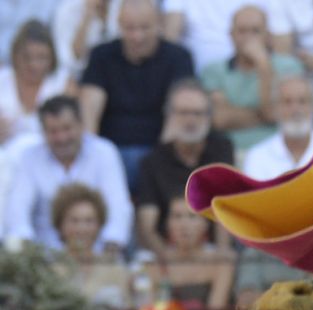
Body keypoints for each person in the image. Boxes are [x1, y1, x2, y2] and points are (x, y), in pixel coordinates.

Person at [78, 0, 194, 184]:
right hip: (110, 151)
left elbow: (179, 112)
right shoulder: (101, 56)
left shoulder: (178, 57)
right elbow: (89, 113)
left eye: (144, 28)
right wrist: (94, 158)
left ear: (159, 23)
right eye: (130, 28)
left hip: (159, 150)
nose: (137, 36)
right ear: (119, 25)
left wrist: (159, 161)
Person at [2, 94, 133, 254]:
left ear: (81, 125)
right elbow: (18, 213)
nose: (61, 138)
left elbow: (118, 206)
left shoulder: (104, 152)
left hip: (98, 255)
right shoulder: (29, 158)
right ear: (42, 132)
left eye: (66, 128)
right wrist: (25, 253)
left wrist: (110, 249)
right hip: (44, 260)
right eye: (53, 131)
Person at [132, 79, 235, 256]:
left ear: (209, 117)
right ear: (169, 116)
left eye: (197, 113)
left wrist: (221, 258)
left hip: (211, 253)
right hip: (166, 252)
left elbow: (225, 209)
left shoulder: (222, 150)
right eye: (183, 113)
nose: (190, 120)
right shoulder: (152, 161)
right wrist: (170, 263)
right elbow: (147, 224)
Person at [200, 5, 304, 152]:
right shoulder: (213, 71)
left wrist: (263, 66)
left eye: (255, 31)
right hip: (232, 152)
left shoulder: (289, 67)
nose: (249, 37)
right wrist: (266, 116)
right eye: (242, 31)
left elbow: (277, 113)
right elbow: (221, 119)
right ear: (231, 35)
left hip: (278, 152)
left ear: (268, 36)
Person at [140, 193, 236, 307]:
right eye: (177, 216)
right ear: (168, 223)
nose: (184, 225)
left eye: (192, 216)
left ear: (205, 223)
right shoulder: (155, 265)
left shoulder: (221, 264)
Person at [49, 182, 134, 306]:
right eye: (74, 221)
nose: (81, 229)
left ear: (99, 225)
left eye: (89, 221)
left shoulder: (116, 269)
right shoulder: (48, 271)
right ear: (60, 225)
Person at [0, 21, 64, 156]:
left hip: (50, 156)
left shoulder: (62, 84)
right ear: (15, 56)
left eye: (41, 58)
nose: (33, 65)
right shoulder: (2, 79)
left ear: (52, 58)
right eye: (27, 57)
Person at [239, 70, 313, 180]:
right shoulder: (257, 157)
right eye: (287, 102)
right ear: (275, 109)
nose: (296, 110)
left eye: (302, 101)